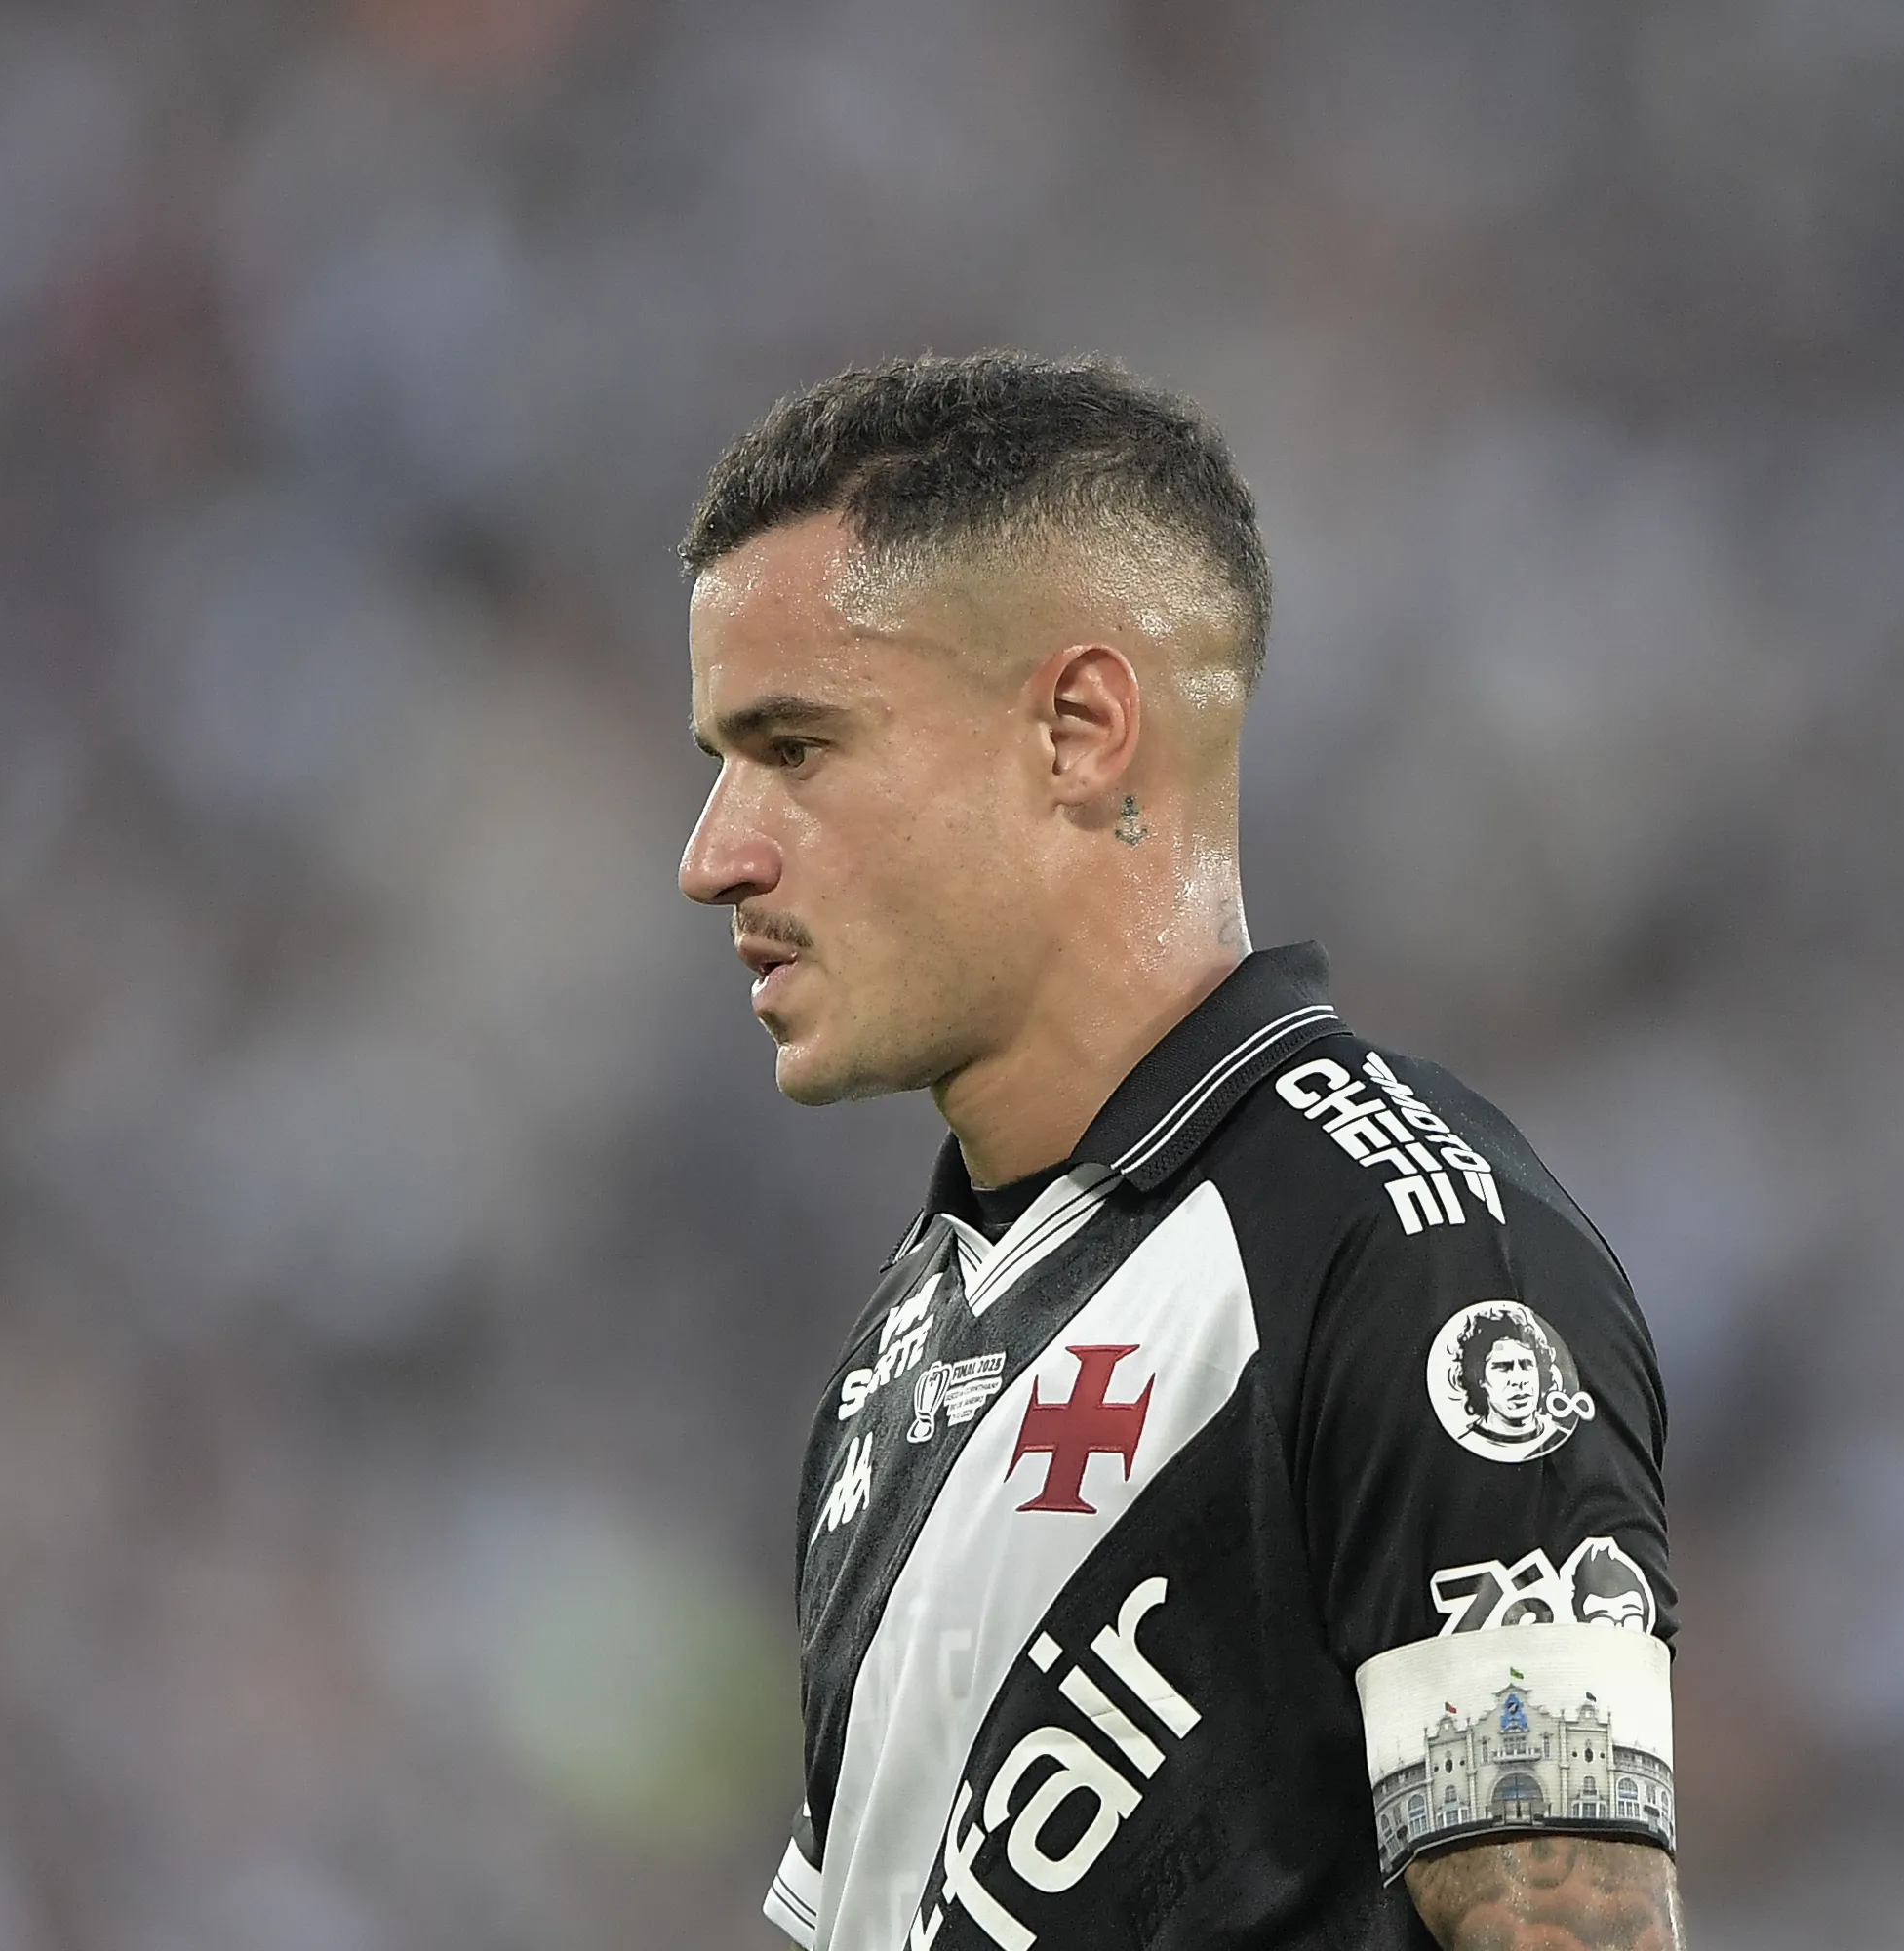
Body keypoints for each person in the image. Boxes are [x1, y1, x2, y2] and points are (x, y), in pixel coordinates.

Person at [676, 354, 1681, 1951]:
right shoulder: (912, 1343)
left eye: (795, 748)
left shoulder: (1404, 1249)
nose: (712, 854)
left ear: (1079, 728)